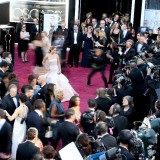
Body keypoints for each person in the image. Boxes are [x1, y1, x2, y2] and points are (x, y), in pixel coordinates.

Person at [5, 93, 28, 159]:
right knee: (21, 141)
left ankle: (15, 157)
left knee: (15, 141)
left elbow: (11, 118)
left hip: (18, 126)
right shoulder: (26, 108)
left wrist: (6, 112)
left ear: (19, 100)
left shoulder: (18, 109)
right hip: (23, 126)